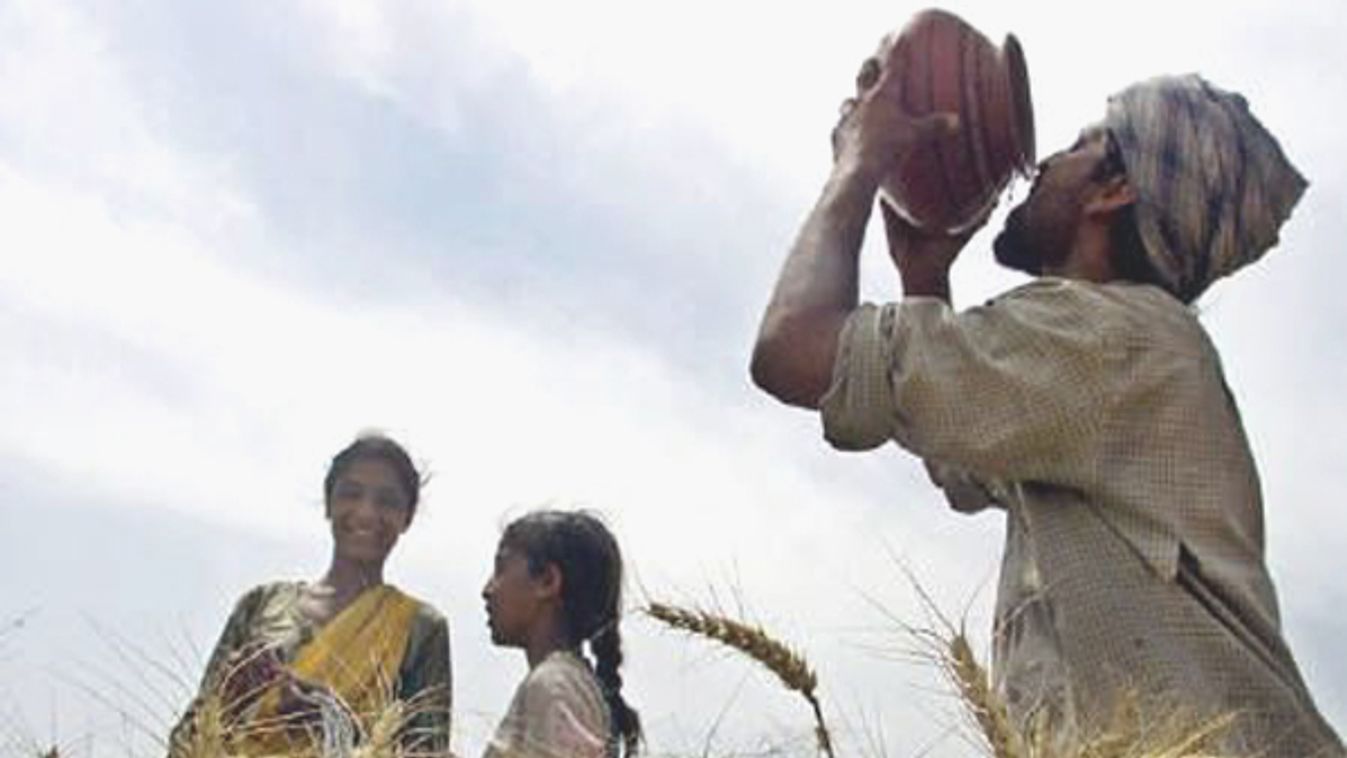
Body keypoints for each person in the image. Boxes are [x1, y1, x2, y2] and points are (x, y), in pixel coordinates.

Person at [750, 42, 1344, 756]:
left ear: (1111, 190)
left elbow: (792, 349)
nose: (1039, 165)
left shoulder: (1116, 339)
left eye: (1074, 147)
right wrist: (924, 275)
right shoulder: (1107, 368)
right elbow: (962, 466)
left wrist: (857, 164)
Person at [167, 433, 453, 757]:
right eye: (351, 493)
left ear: (407, 517)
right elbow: (184, 746)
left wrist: (337, 723)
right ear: (329, 503)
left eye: (387, 501)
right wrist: (230, 700)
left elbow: (428, 752)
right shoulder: (261, 605)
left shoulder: (420, 629)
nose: (366, 512)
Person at [481, 510, 641, 758]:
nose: (488, 589)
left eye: (501, 569)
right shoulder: (570, 683)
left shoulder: (552, 686)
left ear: (547, 581)